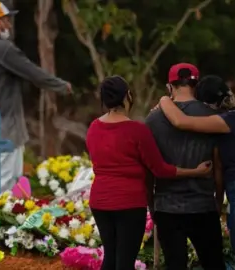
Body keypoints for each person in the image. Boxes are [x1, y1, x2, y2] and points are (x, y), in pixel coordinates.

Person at [86, 75, 212, 270]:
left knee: (110, 258)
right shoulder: (137, 130)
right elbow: (160, 170)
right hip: (128, 203)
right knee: (125, 261)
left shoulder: (94, 127)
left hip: (100, 202)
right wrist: (195, 171)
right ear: (127, 96)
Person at [158, 75, 235, 270]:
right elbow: (221, 166)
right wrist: (219, 198)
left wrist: (165, 99)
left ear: (208, 105)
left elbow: (180, 122)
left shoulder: (227, 121)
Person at [0, 1, 72, 193]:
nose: (9, 26)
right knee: (5, 188)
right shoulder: (3, 48)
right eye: (7, 21)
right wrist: (60, 85)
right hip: (4, 131)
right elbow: (32, 72)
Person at [145, 64, 225, 270]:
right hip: (202, 205)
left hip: (167, 207)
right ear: (196, 84)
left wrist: (152, 205)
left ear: (169, 87)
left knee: (174, 265)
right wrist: (217, 201)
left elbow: (148, 169)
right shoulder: (212, 116)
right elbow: (218, 166)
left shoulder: (152, 119)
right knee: (214, 264)